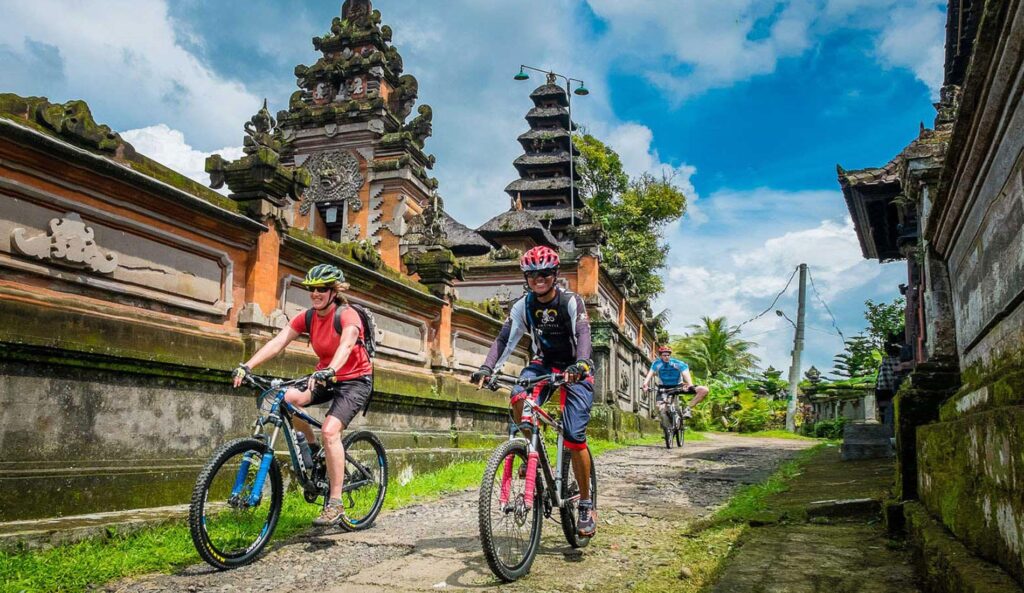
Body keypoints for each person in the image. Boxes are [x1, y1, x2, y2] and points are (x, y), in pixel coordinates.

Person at [470, 245, 598, 537]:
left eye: (543, 273)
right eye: (532, 274)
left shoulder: (571, 300)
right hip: (543, 365)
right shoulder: (523, 305)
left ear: (554, 274)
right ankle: (532, 452)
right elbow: (504, 339)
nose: (538, 279)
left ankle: (586, 503)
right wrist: (487, 368)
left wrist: (580, 363)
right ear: (525, 278)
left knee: (575, 437)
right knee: (517, 395)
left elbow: (583, 334)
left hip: (576, 369)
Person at [231, 263, 373, 527]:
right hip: (324, 376)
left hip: (354, 380)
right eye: (311, 289)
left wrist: (331, 369)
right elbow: (278, 341)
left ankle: (335, 503)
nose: (315, 294)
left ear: (334, 291)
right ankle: (314, 451)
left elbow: (347, 344)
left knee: (331, 430)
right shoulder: (307, 317)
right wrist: (247, 365)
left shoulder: (347, 315)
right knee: (285, 398)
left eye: (321, 289)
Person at [641, 346, 709, 424]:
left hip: (678, 386)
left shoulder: (677, 363)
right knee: (659, 407)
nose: (666, 357)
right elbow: (650, 374)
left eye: (668, 355)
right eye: (664, 355)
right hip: (664, 388)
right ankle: (667, 426)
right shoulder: (657, 364)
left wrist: (690, 385)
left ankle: (688, 409)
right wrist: (645, 384)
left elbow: (685, 373)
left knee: (704, 390)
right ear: (660, 356)